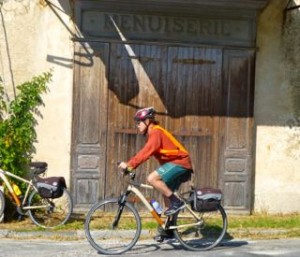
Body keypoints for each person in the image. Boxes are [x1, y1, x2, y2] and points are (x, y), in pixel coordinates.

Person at [118, 107, 193, 240]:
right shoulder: (153, 133)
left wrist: (129, 165)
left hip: (180, 162)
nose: (137, 125)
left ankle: (177, 202)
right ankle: (168, 230)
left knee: (152, 178)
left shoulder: (156, 132)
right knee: (166, 197)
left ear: (147, 121)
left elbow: (145, 152)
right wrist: (130, 168)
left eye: (139, 122)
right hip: (176, 163)